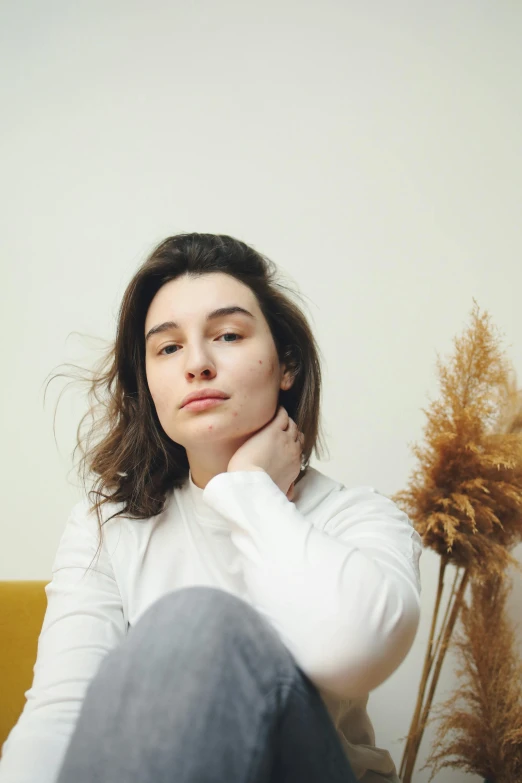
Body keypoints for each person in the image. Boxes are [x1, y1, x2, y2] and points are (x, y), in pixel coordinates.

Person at [0, 233, 422, 783]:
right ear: (148, 383)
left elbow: (354, 649)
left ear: (285, 365)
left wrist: (248, 490)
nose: (196, 363)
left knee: (198, 620)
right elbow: (59, 718)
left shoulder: (359, 518)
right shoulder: (107, 525)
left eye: (227, 335)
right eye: (168, 348)